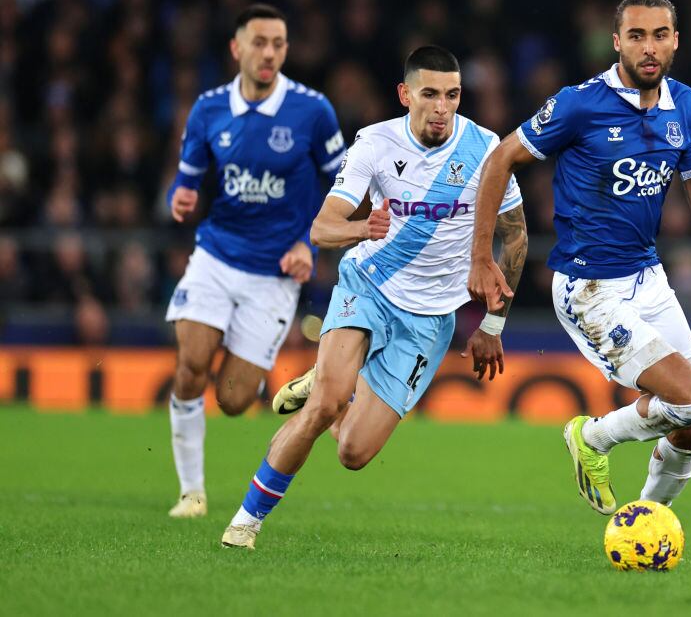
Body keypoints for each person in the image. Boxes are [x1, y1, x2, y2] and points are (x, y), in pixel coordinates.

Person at [220, 45, 528, 549]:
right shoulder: (375, 142)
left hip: (430, 319)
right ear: (405, 94)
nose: (442, 107)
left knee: (353, 453)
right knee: (322, 408)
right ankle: (246, 522)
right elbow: (321, 228)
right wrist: (364, 227)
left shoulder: (487, 149)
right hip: (370, 288)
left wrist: (492, 325)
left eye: (452, 95)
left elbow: (516, 237)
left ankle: (334, 377)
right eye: (429, 94)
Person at [468, 0, 691, 515]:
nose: (648, 48)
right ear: (616, 43)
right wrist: (481, 257)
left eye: (658, 35)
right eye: (636, 36)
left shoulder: (687, 107)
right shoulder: (580, 104)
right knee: (690, 396)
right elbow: (499, 160)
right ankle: (593, 438)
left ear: (676, 41)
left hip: (647, 276)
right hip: (589, 286)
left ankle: (645, 520)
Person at [164, 4, 348, 518]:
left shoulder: (312, 111)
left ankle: (260, 366)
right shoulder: (207, 109)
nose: (270, 53)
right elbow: (187, 177)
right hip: (217, 256)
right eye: (260, 42)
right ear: (237, 48)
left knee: (233, 399)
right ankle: (191, 492)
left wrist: (308, 246)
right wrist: (180, 195)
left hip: (275, 274)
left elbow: (344, 183)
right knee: (190, 367)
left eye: (279, 44)